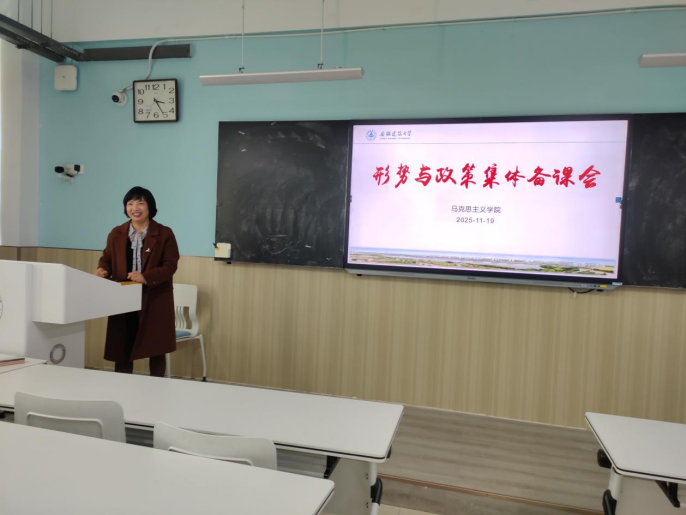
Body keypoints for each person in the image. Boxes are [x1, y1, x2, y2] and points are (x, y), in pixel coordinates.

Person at [94, 187, 180, 377]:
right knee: (122, 344)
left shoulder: (164, 233)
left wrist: (146, 276)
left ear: (150, 207)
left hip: (155, 296)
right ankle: (122, 385)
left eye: (140, 203)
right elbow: (107, 258)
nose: (135, 208)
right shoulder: (116, 233)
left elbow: (170, 265)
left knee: (156, 347)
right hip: (124, 295)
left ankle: (157, 386)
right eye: (130, 203)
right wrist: (103, 269)